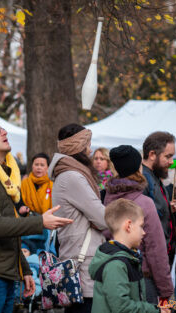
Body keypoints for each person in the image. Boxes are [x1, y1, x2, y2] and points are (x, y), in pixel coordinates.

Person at [0, 118, 73, 313]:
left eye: (2, 128)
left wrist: (24, 270)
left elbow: (9, 231)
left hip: (6, 274)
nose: (4, 132)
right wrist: (40, 222)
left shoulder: (4, 179)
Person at [48, 123, 107, 313]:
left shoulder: (67, 173)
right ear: (79, 147)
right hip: (82, 262)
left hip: (77, 255)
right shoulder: (73, 176)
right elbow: (101, 218)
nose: (90, 150)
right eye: (88, 145)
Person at [105, 145, 173, 306]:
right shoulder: (145, 203)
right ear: (138, 167)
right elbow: (156, 249)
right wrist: (165, 289)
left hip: (113, 274)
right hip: (141, 278)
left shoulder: (107, 198)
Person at [89, 198, 168, 313]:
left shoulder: (128, 257)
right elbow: (122, 307)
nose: (144, 232)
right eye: (141, 226)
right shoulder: (116, 265)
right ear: (129, 226)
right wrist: (155, 310)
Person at [142, 132, 176, 269]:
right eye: (168, 156)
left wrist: (167, 208)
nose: (172, 162)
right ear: (152, 155)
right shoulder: (143, 180)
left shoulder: (155, 177)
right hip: (152, 262)